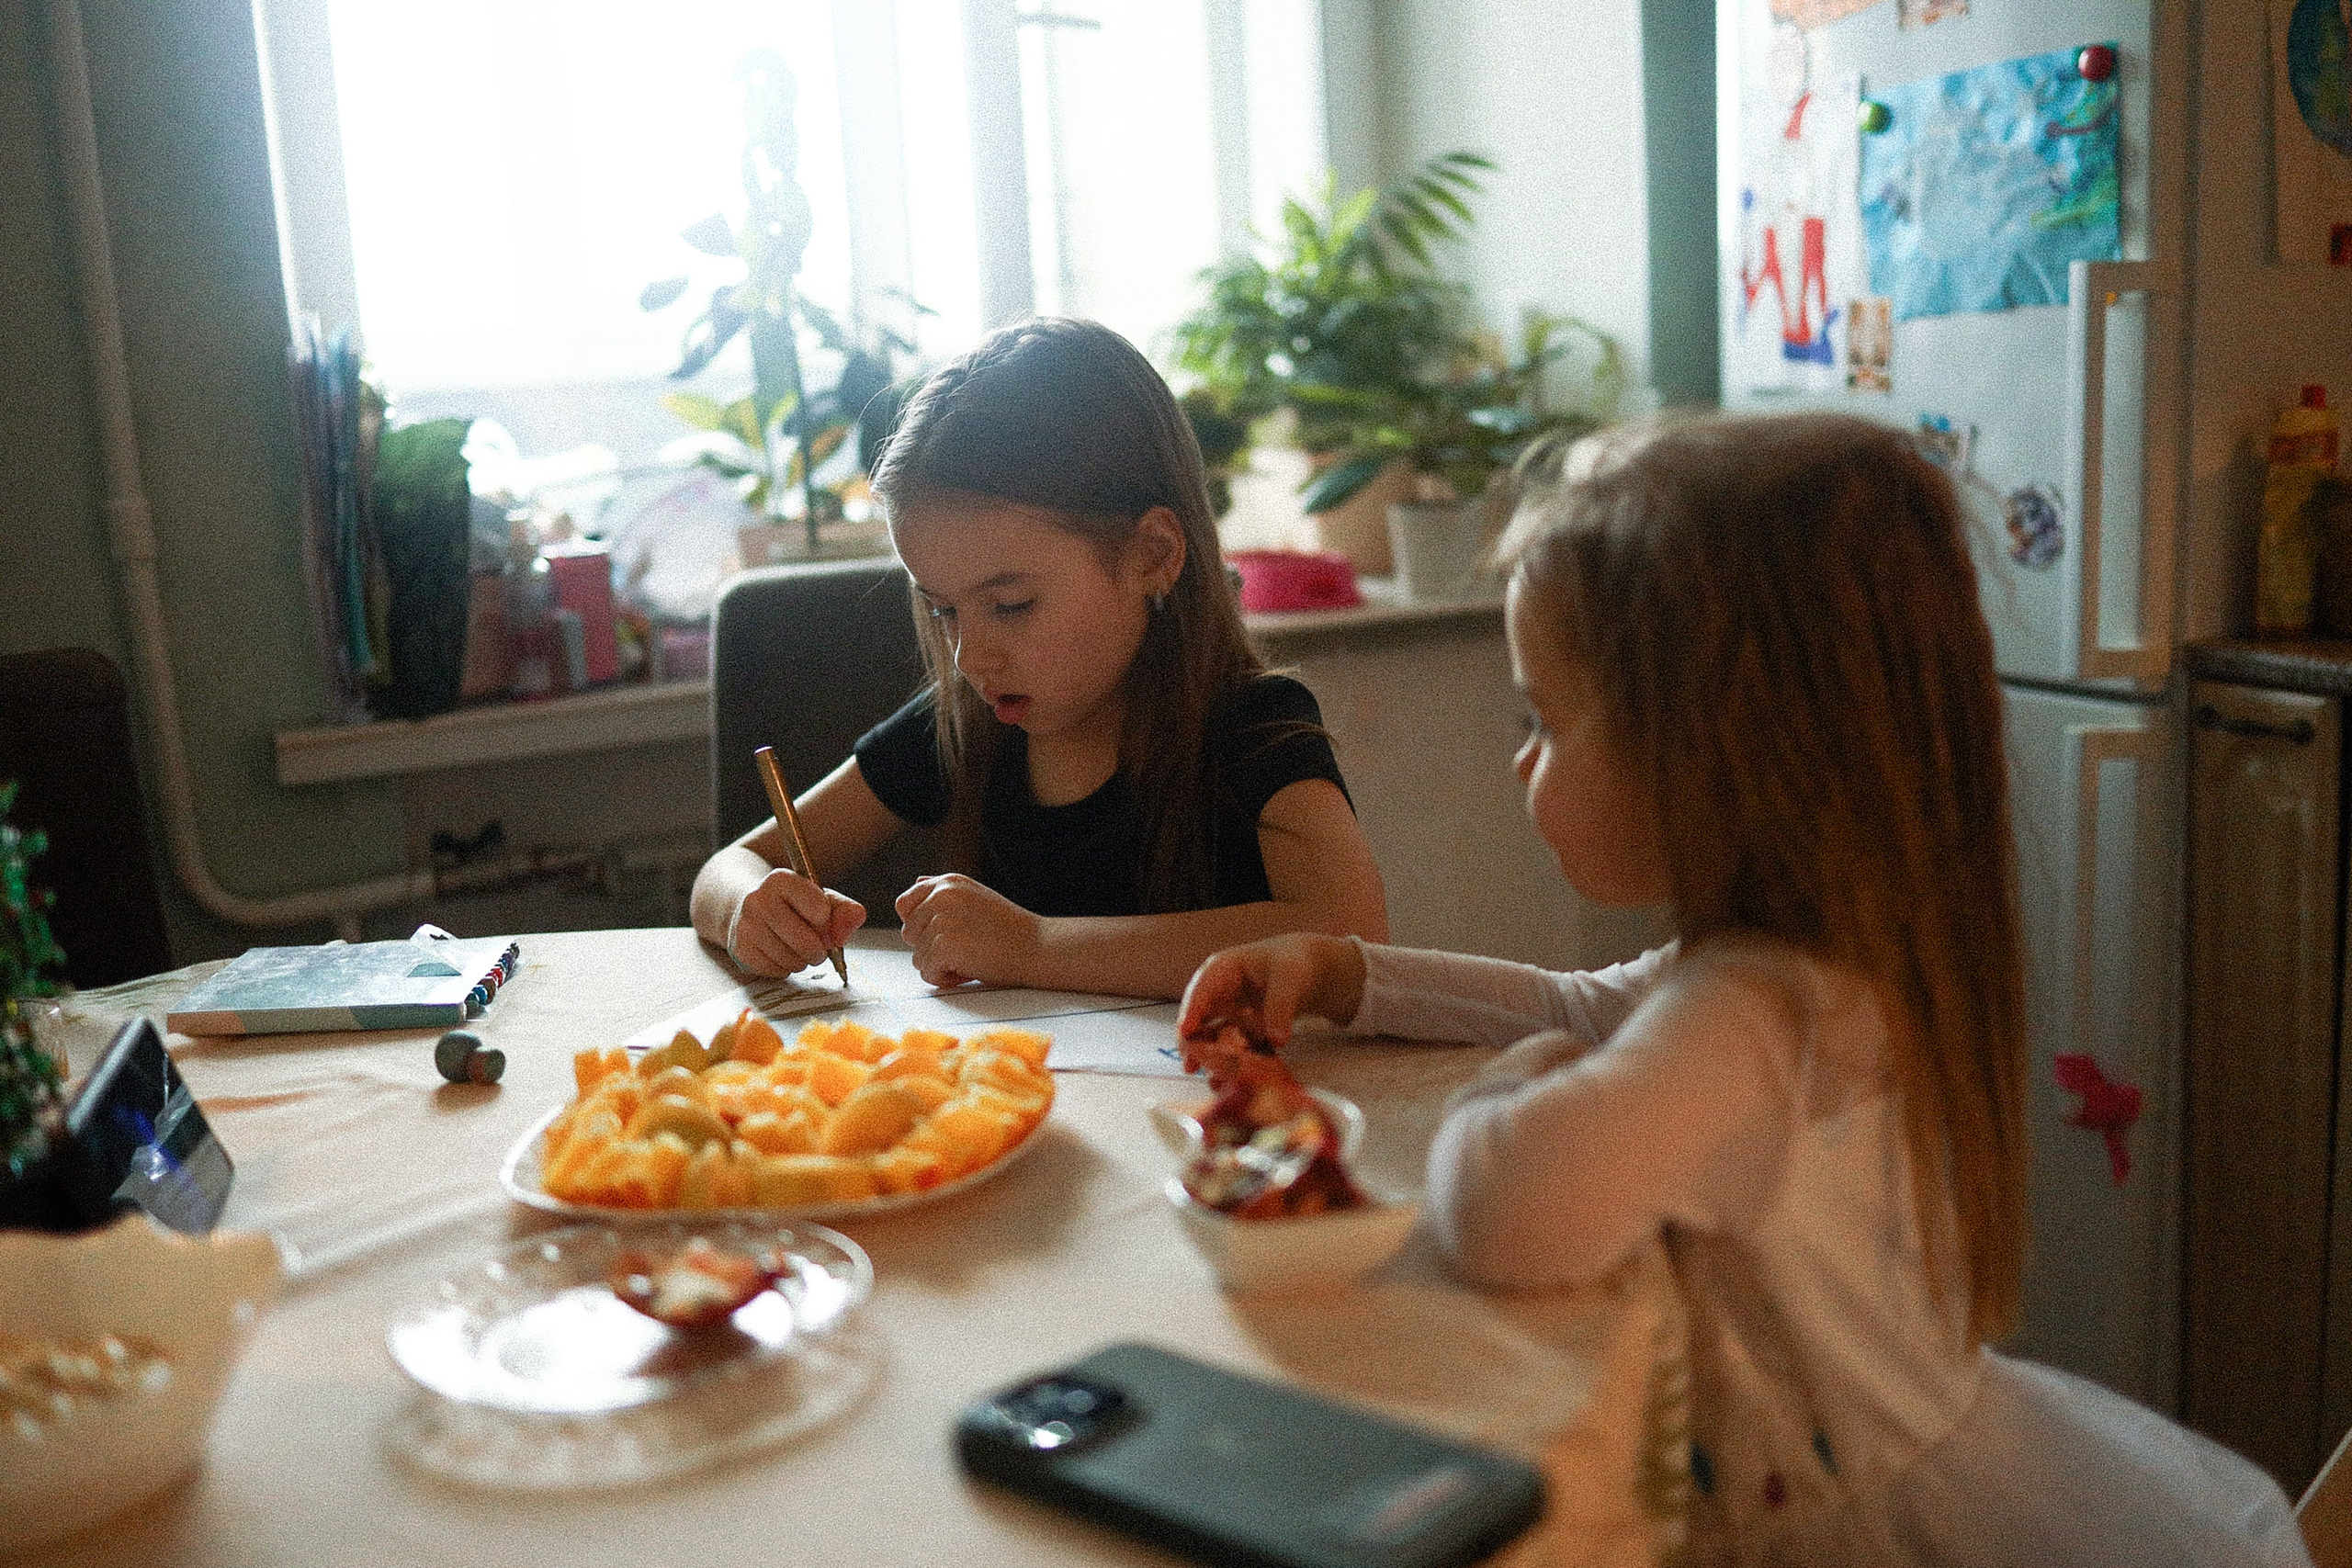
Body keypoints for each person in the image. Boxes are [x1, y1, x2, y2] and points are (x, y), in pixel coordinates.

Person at [1178, 412, 2310, 1565]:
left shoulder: (1754, 1017)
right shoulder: (1823, 954)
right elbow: (1579, 1005)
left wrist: (1521, 1081)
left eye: (1544, 721)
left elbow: (1507, 1216)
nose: (1522, 760)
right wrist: (1342, 973)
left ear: (1707, 750)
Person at [690, 317, 1387, 998]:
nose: (969, 655)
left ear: (1153, 555)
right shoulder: (966, 723)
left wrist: (1033, 945)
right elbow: (728, 866)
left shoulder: (1252, 725)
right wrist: (748, 905)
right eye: (943, 609)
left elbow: (1351, 933)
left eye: (1012, 604)